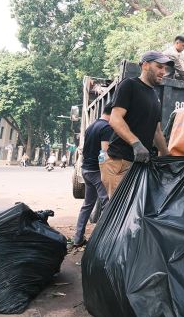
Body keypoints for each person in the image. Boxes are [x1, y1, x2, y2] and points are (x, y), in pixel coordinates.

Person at [104, 51, 172, 197]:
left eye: (165, 69)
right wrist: (136, 144)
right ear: (146, 65)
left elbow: (157, 132)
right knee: (119, 215)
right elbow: (115, 119)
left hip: (140, 165)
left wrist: (167, 157)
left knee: (134, 216)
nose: (163, 72)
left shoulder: (155, 96)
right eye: (159, 67)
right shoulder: (129, 85)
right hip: (120, 162)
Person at [73, 104, 114, 247]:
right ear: (113, 113)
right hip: (97, 172)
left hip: (86, 170)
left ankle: (77, 238)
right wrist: (107, 173)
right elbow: (104, 153)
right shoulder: (106, 128)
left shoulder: (91, 126)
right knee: (109, 204)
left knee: (87, 205)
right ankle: (101, 241)